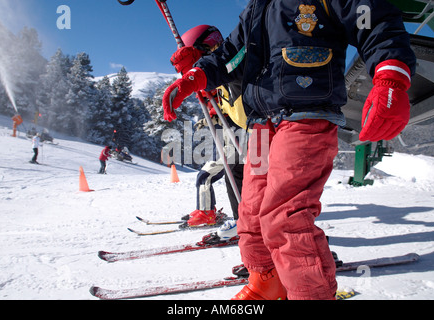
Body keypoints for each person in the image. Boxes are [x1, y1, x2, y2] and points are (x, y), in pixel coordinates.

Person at [162, 1, 416, 300]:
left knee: (284, 217)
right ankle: (265, 282)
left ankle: (311, 294)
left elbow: (378, 26)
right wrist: (199, 73)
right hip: (260, 123)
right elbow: (231, 55)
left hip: (308, 112)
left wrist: (391, 78)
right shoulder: (257, 8)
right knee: (250, 212)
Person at [170, 25, 247, 236]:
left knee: (234, 172)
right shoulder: (220, 79)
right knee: (236, 172)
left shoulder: (235, 61)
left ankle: (247, 223)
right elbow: (216, 91)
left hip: (255, 131)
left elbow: (225, 71)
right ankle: (245, 221)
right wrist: (195, 77)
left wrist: (202, 73)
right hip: (240, 132)